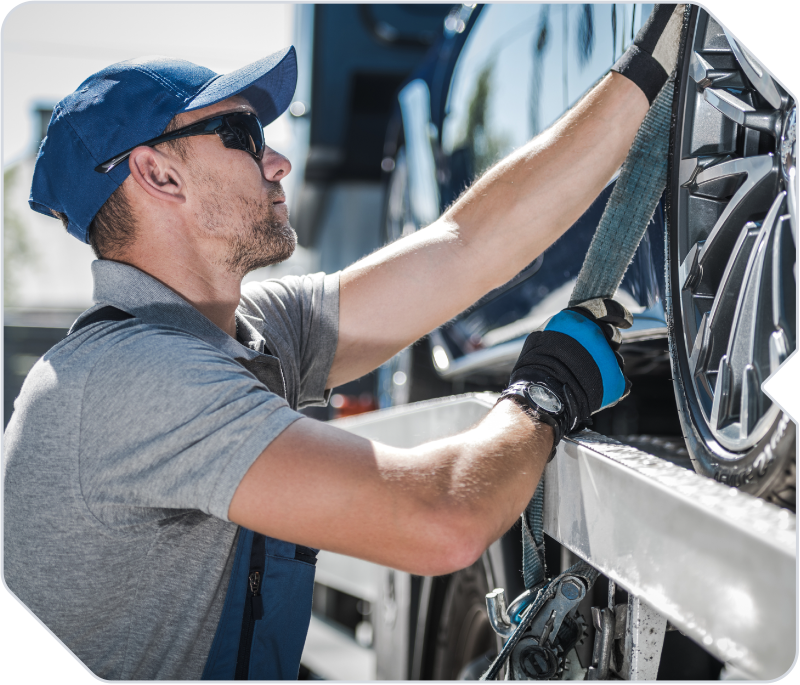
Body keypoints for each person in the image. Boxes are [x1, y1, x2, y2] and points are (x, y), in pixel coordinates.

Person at [4, 6, 685, 680]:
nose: (278, 159)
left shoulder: (237, 333)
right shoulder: (129, 381)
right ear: (158, 175)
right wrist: (543, 393)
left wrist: (646, 72)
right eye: (240, 133)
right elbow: (441, 516)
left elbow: (463, 248)